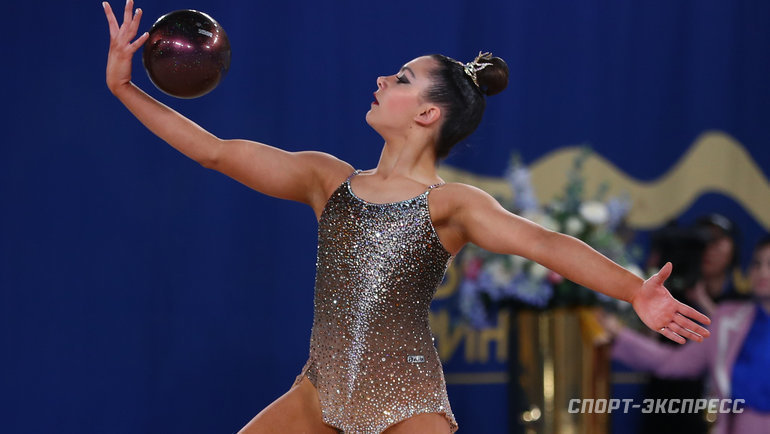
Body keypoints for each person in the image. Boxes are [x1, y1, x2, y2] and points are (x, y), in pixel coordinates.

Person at [102, 2, 711, 433]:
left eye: (401, 79)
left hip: (406, 406)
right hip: (320, 393)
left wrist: (634, 289)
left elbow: (544, 244)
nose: (380, 79)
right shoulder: (327, 180)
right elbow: (215, 152)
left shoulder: (451, 205)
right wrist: (128, 90)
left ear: (427, 115)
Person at [604, 235, 770, 434]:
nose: (763, 272)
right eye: (757, 263)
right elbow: (674, 362)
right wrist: (620, 334)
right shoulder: (729, 319)